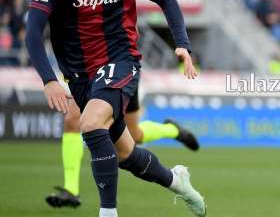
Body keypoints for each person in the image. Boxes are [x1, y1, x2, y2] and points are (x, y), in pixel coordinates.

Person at [25, 0, 206, 217]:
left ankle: (107, 212)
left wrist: (183, 45)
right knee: (126, 153)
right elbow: (32, 29)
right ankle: (179, 182)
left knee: (89, 122)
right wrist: (49, 78)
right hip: (81, 77)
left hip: (121, 62)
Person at [45, 87, 200, 208]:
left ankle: (172, 130)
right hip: (89, 70)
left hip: (121, 69)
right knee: (72, 120)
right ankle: (71, 189)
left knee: (134, 135)